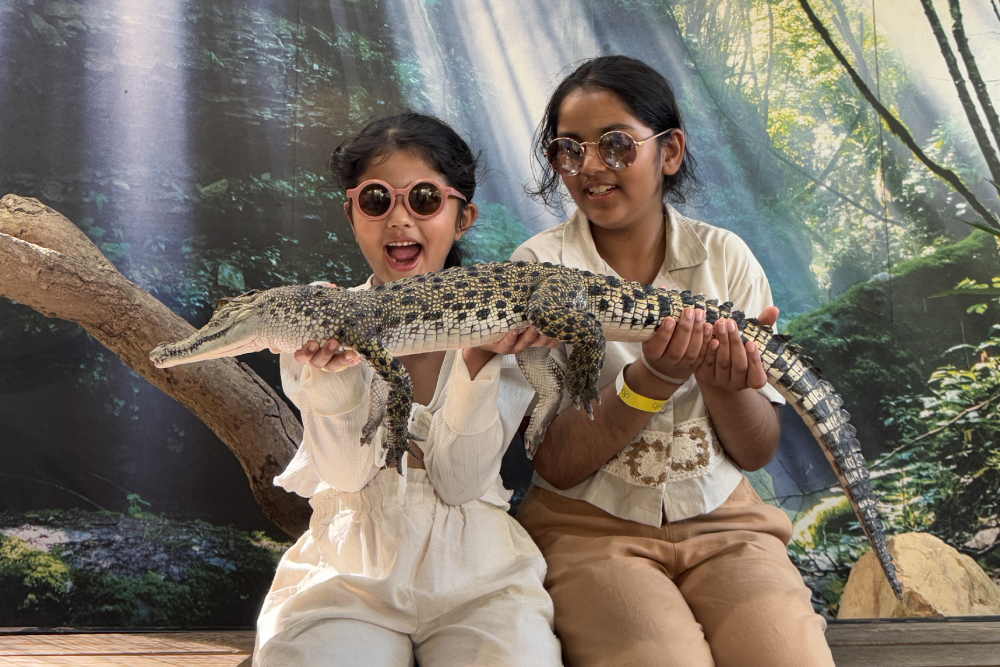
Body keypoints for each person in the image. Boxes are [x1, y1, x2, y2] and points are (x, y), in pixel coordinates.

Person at [511, 55, 834, 667]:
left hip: (727, 525)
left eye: (616, 145)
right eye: (569, 149)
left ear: (670, 151)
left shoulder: (724, 258)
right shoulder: (536, 270)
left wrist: (725, 385)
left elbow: (757, 451)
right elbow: (555, 458)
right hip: (587, 529)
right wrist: (651, 380)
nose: (591, 167)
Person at [253, 111, 562, 666]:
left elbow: (461, 481)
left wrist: (476, 358)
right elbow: (345, 473)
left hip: (481, 573)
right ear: (351, 213)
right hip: (347, 572)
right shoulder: (313, 324)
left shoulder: (509, 330)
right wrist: (336, 376)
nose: (399, 220)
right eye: (376, 200)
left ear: (462, 216)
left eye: (423, 199)